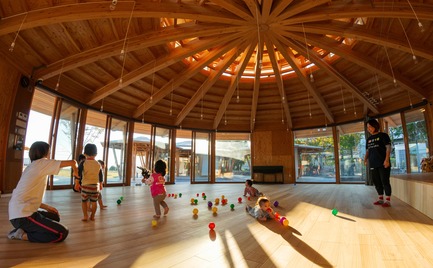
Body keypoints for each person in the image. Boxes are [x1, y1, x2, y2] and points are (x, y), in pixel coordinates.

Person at [7, 141, 78, 242]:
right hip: (22, 215)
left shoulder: (33, 166)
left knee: (55, 217)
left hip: (19, 212)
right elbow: (73, 162)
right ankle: (20, 235)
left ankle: (27, 228)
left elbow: (30, 196)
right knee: (62, 233)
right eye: (49, 152)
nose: (50, 154)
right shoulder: (42, 163)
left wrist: (47, 207)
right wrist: (76, 173)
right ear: (45, 153)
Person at [364, 118, 392, 207]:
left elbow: (388, 148)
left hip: (383, 162)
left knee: (385, 181)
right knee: (376, 181)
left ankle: (387, 200)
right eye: (367, 127)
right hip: (373, 163)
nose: (368, 129)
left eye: (370, 127)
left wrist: (387, 160)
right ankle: (380, 198)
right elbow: (368, 151)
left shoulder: (383, 135)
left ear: (375, 126)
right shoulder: (368, 139)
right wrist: (365, 159)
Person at [78, 144, 103, 221]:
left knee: (84, 201)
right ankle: (92, 216)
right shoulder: (98, 164)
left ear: (84, 153)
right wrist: (101, 184)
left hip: (85, 186)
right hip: (95, 187)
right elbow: (100, 175)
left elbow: (79, 173)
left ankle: (85, 216)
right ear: (96, 154)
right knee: (94, 202)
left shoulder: (83, 163)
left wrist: (77, 183)